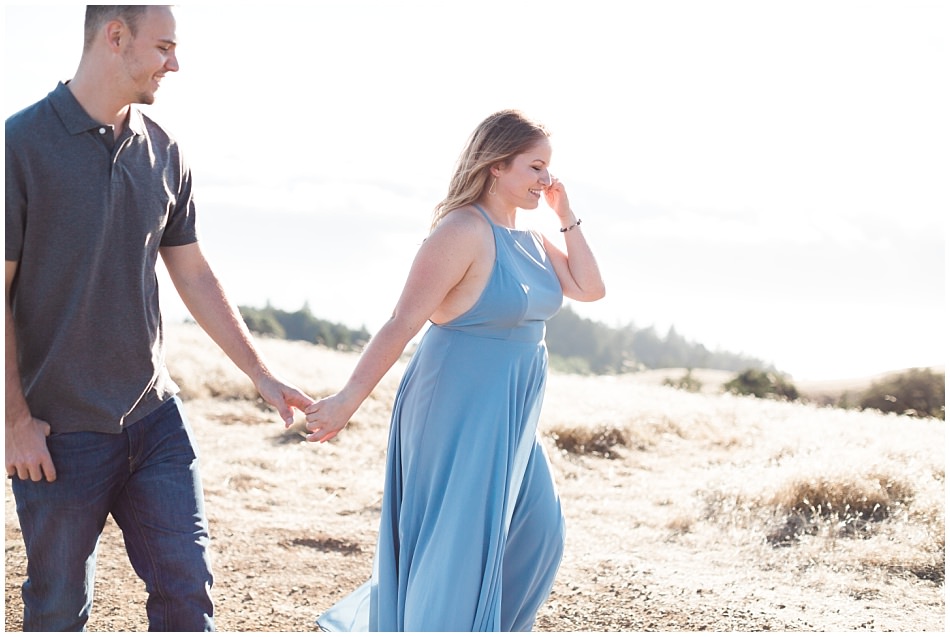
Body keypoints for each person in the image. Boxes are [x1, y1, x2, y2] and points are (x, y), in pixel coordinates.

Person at [4, 6, 313, 632]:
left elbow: (193, 273)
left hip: (154, 421)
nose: (175, 63)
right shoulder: (20, 145)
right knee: (59, 610)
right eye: (164, 47)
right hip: (58, 435)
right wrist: (14, 421)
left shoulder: (165, 149)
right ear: (115, 38)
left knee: (187, 594)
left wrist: (262, 375)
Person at [303, 109, 606, 631]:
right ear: (496, 166)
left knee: (540, 532)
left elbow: (589, 287)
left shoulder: (531, 240)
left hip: (511, 414)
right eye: (534, 168)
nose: (545, 179)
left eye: (547, 169)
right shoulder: (463, 230)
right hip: (455, 407)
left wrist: (565, 211)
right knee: (456, 549)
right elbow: (402, 323)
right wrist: (345, 401)